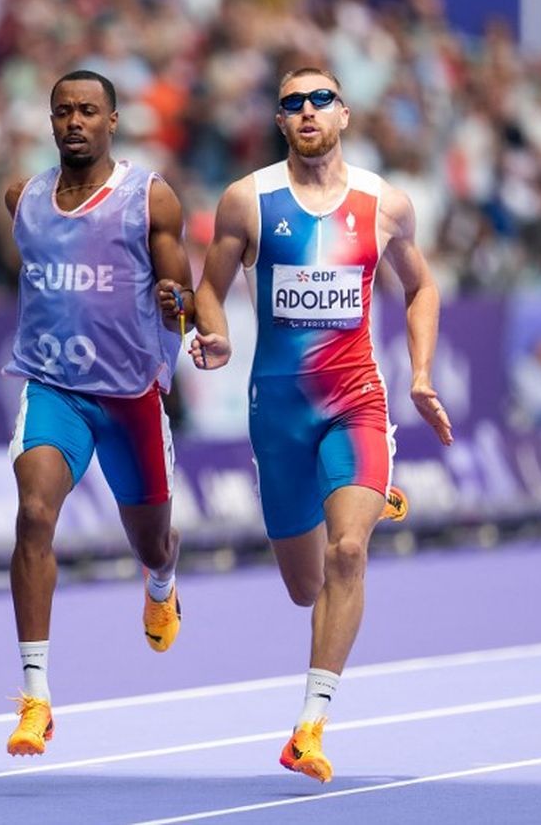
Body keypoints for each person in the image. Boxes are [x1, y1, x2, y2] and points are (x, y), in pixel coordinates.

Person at [188, 68, 453, 782]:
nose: (307, 111)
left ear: (345, 113)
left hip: (356, 400)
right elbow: (207, 292)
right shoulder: (248, 201)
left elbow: (422, 286)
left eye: (320, 100)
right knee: (305, 587)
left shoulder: (384, 203)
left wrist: (420, 373)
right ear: (280, 121)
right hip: (277, 414)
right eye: (292, 103)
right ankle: (363, 492)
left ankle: (310, 725)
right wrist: (210, 333)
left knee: (346, 555)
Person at [2, 70, 195, 757]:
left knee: (152, 541)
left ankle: (161, 583)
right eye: (62, 111)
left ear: (113, 121)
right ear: (50, 121)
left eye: (87, 111)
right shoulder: (22, 198)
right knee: (34, 514)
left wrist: (178, 300)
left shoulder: (150, 197)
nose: (73, 121)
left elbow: (179, 284)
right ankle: (35, 697)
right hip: (54, 389)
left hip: (130, 400)